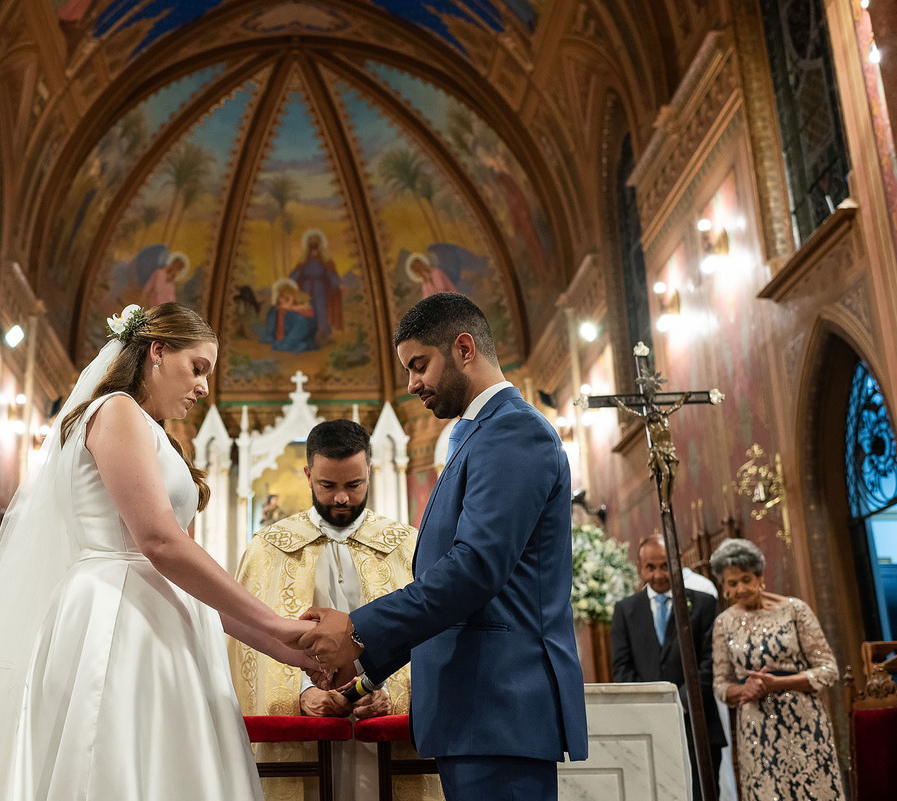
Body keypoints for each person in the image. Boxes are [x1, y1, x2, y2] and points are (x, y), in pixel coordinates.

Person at [0, 302, 318, 800]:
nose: (204, 387)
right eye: (197, 368)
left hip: (161, 615)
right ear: (157, 352)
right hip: (119, 616)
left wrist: (292, 651)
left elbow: (191, 576)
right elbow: (160, 542)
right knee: (111, 765)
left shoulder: (152, 432)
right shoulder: (116, 410)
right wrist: (277, 623)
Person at [297, 293, 588, 801]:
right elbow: (449, 591)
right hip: (476, 712)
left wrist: (358, 631)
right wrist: (363, 677)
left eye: (419, 365)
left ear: (464, 348)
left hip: (500, 705)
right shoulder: (474, 436)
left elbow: (473, 570)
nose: (412, 384)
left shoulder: (513, 430)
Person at [230, 419, 441, 801]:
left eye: (353, 484)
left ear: (370, 473)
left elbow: (431, 632)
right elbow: (249, 644)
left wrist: (391, 690)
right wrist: (301, 692)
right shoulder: (268, 549)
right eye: (328, 485)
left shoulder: (406, 546)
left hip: (383, 731)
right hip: (307, 737)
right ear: (308, 474)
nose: (341, 497)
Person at [709, 538, 845, 801]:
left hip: (806, 723)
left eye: (746, 579)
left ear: (760, 576)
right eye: (732, 583)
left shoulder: (795, 610)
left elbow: (829, 670)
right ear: (723, 585)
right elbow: (720, 686)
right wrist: (744, 689)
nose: (740, 589)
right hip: (757, 730)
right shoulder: (722, 624)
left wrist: (779, 683)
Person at [610, 536, 726, 800]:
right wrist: (652, 706)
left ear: (678, 562)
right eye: (650, 567)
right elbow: (622, 668)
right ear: (639, 566)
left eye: (665, 566)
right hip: (646, 728)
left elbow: (712, 662)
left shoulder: (704, 603)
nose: (659, 575)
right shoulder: (625, 611)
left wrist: (678, 703)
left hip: (698, 725)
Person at [290, 230, 342, 339]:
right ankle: (306, 333)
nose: (314, 250)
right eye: (311, 247)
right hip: (306, 288)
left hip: (320, 289)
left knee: (321, 310)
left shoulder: (325, 260)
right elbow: (295, 274)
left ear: (319, 247)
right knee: (307, 309)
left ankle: (324, 334)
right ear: (308, 248)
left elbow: (331, 273)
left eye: (316, 247)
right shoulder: (304, 261)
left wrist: (336, 284)